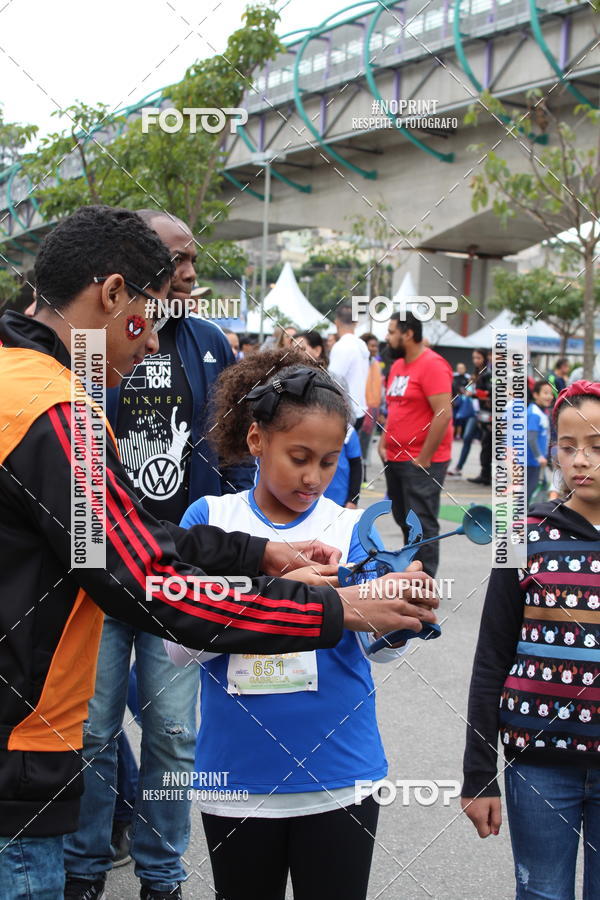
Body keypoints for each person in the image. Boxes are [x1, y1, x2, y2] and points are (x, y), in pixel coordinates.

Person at [0, 206, 433, 900]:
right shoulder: (49, 409)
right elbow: (145, 581)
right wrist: (330, 608)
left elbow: (117, 543)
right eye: (152, 311)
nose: (151, 345)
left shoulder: (25, 388)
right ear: (113, 295)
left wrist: (255, 552)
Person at [164, 350, 439, 900]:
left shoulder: (350, 525)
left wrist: (403, 617)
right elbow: (179, 648)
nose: (314, 478)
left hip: (341, 775)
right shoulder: (211, 521)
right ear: (256, 440)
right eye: (299, 456)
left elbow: (378, 652)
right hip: (238, 778)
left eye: (330, 461)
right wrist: (290, 594)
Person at [65, 207, 257, 898]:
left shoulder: (208, 341)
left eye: (191, 254)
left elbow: (237, 449)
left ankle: (162, 874)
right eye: (177, 255)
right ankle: (84, 868)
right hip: (104, 570)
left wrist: (238, 535)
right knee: (91, 730)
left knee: (174, 733)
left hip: (184, 573)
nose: (189, 268)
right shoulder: (97, 344)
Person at [461, 379, 600, 900]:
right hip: (538, 765)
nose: (580, 459)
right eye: (568, 447)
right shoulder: (522, 534)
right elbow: (491, 656)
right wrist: (479, 772)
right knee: (541, 893)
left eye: (596, 446)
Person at [378, 312, 453, 576]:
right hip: (395, 457)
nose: (387, 338)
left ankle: (425, 581)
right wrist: (384, 438)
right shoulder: (397, 366)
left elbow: (443, 413)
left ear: (407, 334)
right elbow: (395, 407)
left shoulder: (432, 364)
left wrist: (425, 456)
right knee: (403, 517)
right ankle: (413, 568)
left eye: (391, 332)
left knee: (421, 521)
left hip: (421, 460)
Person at [328, 305, 370, 430]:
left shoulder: (342, 346)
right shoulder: (361, 345)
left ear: (336, 322)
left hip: (346, 412)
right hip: (359, 409)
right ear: (356, 323)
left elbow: (333, 381)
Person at [359, 333, 383, 484]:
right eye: (371, 345)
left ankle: (364, 477)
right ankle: (359, 477)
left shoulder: (375, 363)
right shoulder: (360, 363)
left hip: (372, 409)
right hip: (360, 408)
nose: (374, 349)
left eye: (376, 346)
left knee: (366, 445)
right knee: (358, 444)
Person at [467, 348, 493, 486]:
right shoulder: (481, 372)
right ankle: (485, 474)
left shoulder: (490, 373)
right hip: (482, 412)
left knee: (489, 445)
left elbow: (490, 393)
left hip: (492, 414)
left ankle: (487, 475)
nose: (476, 360)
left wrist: (476, 394)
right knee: (486, 444)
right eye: (474, 357)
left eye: (478, 357)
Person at [526, 380, 554, 504]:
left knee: (539, 490)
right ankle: (520, 520)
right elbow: (531, 438)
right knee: (528, 492)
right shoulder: (534, 413)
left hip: (537, 462)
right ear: (536, 395)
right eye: (545, 393)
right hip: (530, 462)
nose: (549, 396)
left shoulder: (542, 412)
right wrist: (539, 457)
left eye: (551, 393)